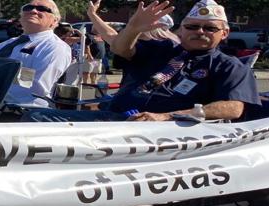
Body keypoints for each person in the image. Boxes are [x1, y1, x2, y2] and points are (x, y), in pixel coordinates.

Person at [105, 1, 258, 122]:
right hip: (113, 117)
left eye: (210, 28)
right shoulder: (160, 49)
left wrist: (168, 116)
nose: (199, 31)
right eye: (192, 26)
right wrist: (132, 28)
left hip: (168, 132)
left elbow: (234, 108)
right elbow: (120, 50)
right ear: (181, 30)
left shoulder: (229, 66)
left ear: (224, 33)